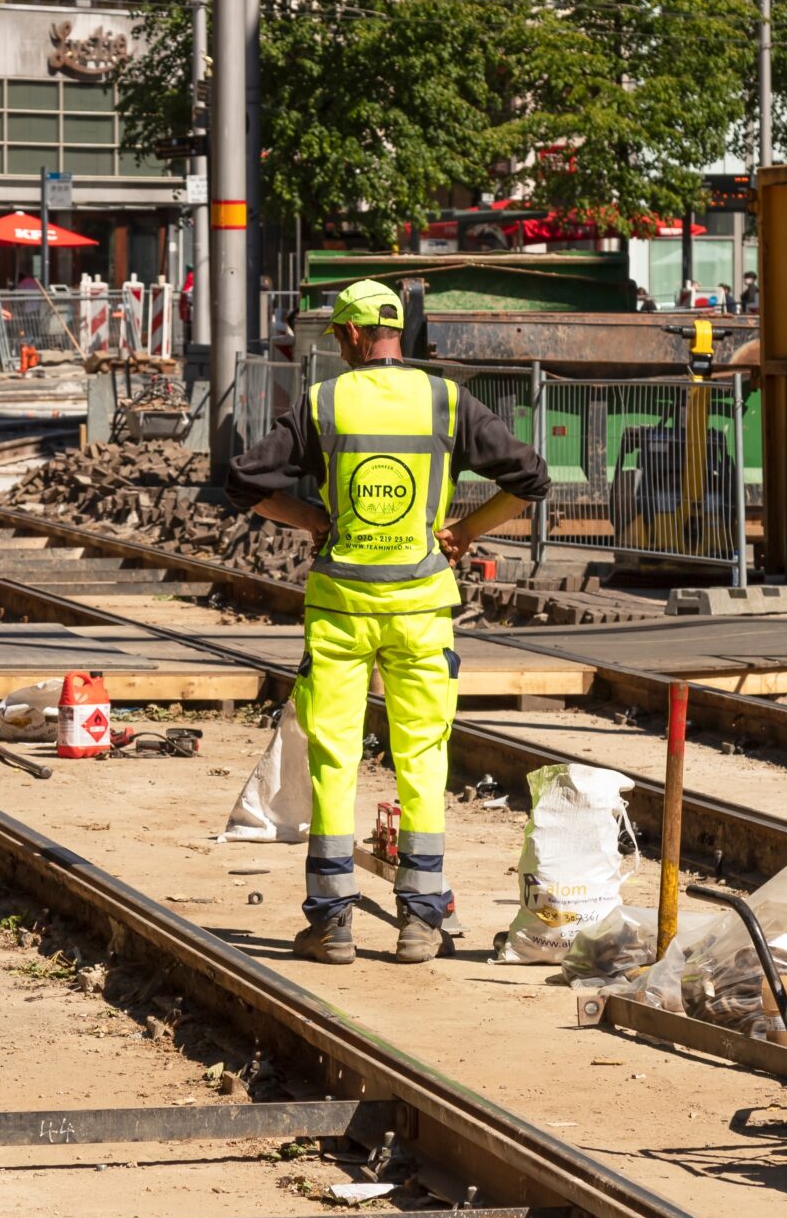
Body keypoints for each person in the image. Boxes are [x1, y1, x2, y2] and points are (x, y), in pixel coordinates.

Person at [229, 279, 550, 966]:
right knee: (423, 760)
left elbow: (241, 481)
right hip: (422, 611)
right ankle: (420, 922)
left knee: (334, 761)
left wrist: (312, 517)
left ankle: (332, 923)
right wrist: (464, 531)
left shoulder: (325, 403)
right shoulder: (443, 399)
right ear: (397, 332)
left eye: (336, 339)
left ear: (348, 335)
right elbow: (530, 477)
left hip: (341, 611)